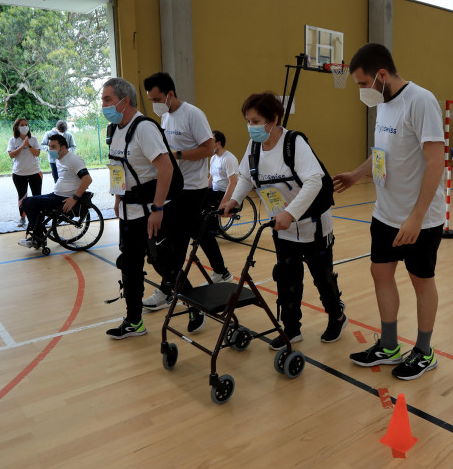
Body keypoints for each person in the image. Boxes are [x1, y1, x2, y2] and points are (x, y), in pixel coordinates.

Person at [333, 43, 445, 381]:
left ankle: (425, 351)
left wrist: (417, 216)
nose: (362, 91)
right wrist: (357, 174)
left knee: (420, 281)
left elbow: (436, 161)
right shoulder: (383, 104)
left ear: (382, 75)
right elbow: (382, 152)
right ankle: (390, 345)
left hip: (418, 219)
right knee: (380, 273)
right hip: (385, 213)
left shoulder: (421, 101)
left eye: (363, 83)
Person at [222, 92, 347, 350]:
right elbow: (246, 177)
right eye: (248, 121)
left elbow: (314, 181)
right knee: (286, 279)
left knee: (322, 277)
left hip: (313, 224)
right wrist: (234, 200)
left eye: (256, 121)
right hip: (282, 227)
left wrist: (291, 213)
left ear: (274, 119)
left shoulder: (293, 143)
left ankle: (337, 315)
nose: (251, 127)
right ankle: (292, 328)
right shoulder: (254, 146)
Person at [102, 77, 199, 339]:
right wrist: (117, 198)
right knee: (130, 266)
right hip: (128, 211)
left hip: (153, 210)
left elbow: (166, 168)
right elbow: (117, 168)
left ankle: (194, 306)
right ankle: (134, 321)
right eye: (103, 100)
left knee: (164, 264)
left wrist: (157, 209)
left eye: (107, 99)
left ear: (125, 101)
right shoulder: (114, 129)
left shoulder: (144, 128)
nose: (104, 105)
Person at [141, 72, 231, 315]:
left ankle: (169, 288)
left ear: (170, 94)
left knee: (176, 240)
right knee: (195, 231)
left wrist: (177, 155)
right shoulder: (165, 118)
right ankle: (217, 273)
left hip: (193, 187)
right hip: (174, 187)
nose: (155, 104)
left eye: (157, 98)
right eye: (151, 100)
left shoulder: (193, 114)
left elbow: (209, 148)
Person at [18, 134, 92, 247]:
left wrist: (74, 198)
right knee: (26, 201)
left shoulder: (74, 159)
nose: (50, 150)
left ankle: (38, 238)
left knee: (32, 203)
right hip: (57, 195)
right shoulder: (59, 159)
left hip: (65, 199)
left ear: (62, 148)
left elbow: (87, 179)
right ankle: (38, 236)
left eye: (53, 147)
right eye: (49, 147)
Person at [8, 118, 42, 227]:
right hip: (19, 174)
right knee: (22, 197)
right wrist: (22, 146)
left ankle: (38, 218)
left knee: (37, 196)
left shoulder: (34, 139)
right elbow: (11, 155)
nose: (25, 127)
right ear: (17, 127)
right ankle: (22, 218)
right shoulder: (13, 140)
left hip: (35, 172)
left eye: (26, 124)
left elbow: (37, 153)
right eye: (22, 125)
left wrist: (29, 146)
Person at [208, 130, 239, 212]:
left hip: (224, 193)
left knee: (205, 202)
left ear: (218, 144)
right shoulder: (213, 158)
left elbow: (233, 182)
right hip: (215, 191)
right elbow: (211, 178)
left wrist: (223, 203)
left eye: (210, 142)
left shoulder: (229, 159)